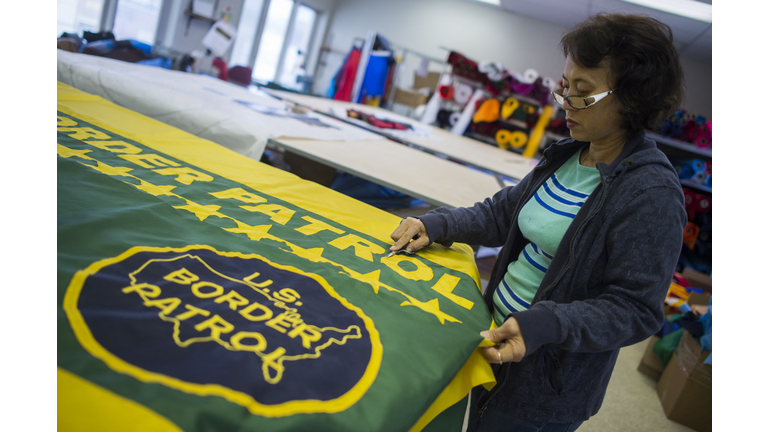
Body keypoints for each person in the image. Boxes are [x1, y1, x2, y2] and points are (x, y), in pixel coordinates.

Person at [390, 13, 687, 432]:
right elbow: (502, 213)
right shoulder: (568, 155)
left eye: (582, 92)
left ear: (632, 100)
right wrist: (438, 224)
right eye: (565, 85)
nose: (565, 100)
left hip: (543, 383)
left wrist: (545, 324)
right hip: (493, 337)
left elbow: (635, 309)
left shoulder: (651, 194)